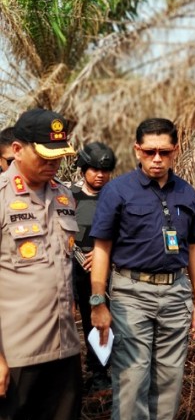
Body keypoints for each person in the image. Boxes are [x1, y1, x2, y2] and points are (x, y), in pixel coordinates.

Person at [89, 118, 195, 420]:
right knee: (132, 381)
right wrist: (99, 301)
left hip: (175, 295)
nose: (157, 158)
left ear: (175, 151)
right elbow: (102, 249)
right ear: (137, 150)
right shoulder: (118, 191)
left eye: (164, 151)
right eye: (149, 151)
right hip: (131, 294)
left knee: (169, 381)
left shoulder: (186, 192)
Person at [0, 108, 80, 420]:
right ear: (17, 149)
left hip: (63, 347)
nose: (55, 164)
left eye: (60, 156)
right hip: (14, 352)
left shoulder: (64, 195)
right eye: (45, 156)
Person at [72, 142, 116, 393]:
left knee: (104, 324)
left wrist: (104, 259)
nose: (100, 175)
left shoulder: (116, 196)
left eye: (106, 170)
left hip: (107, 272)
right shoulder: (68, 195)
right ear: (83, 169)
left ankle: (103, 373)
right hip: (74, 270)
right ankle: (88, 374)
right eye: (95, 169)